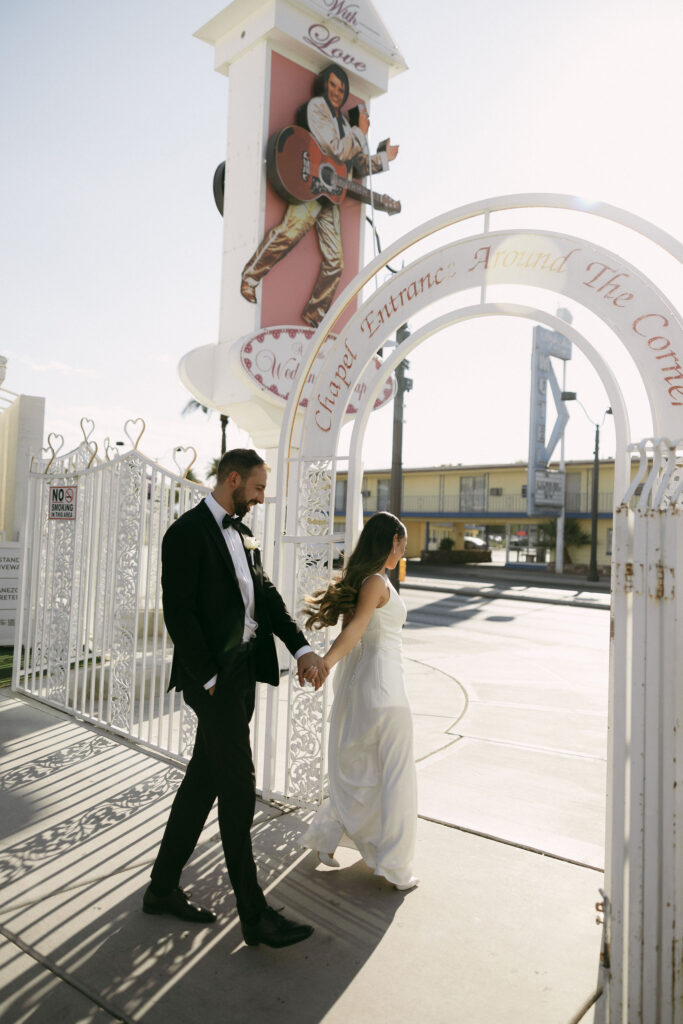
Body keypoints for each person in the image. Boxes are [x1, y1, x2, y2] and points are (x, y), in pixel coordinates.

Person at [143, 448, 328, 947]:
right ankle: (255, 915)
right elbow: (178, 613)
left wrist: (303, 648)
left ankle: (161, 890)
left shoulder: (243, 534)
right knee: (239, 788)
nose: (262, 498)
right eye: (258, 488)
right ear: (232, 480)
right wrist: (207, 679)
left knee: (203, 783)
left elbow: (265, 598)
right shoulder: (184, 534)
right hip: (213, 681)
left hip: (243, 673)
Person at [300, 512, 418, 890]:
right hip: (384, 689)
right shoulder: (375, 583)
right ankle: (396, 867)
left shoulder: (371, 580)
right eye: (403, 544)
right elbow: (355, 629)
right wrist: (327, 664)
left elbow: (357, 629)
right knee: (394, 774)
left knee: (363, 768)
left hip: (372, 683)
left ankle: (326, 836)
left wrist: (329, 666)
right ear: (392, 543)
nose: (405, 551)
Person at [240, 63, 399, 327]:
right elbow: (334, 149)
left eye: (341, 88)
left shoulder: (347, 128)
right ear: (325, 86)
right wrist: (360, 131)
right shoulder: (317, 109)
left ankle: (315, 314)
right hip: (310, 185)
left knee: (336, 260)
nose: (337, 92)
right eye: (333, 86)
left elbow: (358, 164)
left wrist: (385, 158)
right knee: (288, 233)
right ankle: (250, 277)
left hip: (331, 194)